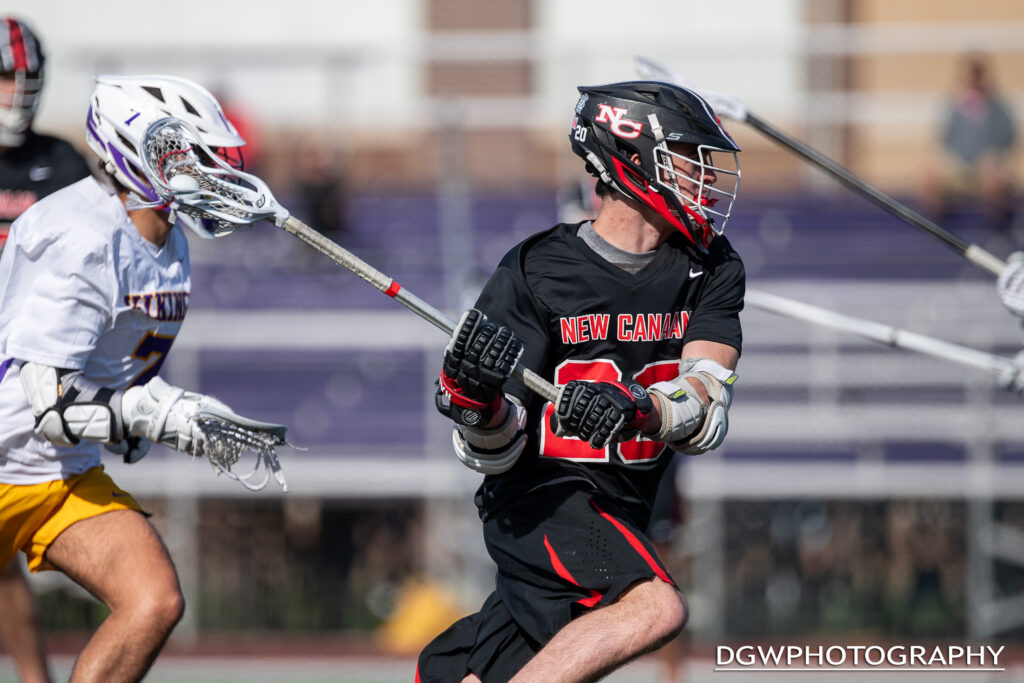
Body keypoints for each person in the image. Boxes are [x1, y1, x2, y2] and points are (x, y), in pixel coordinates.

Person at [418, 80, 745, 682]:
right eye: (687, 159)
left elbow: (707, 400)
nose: (704, 179)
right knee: (655, 606)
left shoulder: (711, 267)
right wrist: (478, 405)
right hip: (542, 498)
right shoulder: (534, 271)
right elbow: (488, 451)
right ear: (633, 159)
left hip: (626, 505)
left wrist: (639, 407)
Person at [0, 74, 266, 683]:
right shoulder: (82, 237)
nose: (208, 175)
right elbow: (52, 408)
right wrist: (158, 417)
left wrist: (143, 421)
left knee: (153, 600)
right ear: (134, 153)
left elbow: (111, 371)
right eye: (187, 158)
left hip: (53, 477)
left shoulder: (164, 236)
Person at [0, 17, 92, 683]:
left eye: (27, 77)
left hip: (25, 373)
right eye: (8, 76)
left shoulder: (61, 165)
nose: (18, 90)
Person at [921, 54, 1017, 229]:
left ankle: (996, 231)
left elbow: (1009, 137)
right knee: (928, 175)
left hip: (988, 169)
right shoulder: (954, 106)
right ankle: (937, 229)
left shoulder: (998, 106)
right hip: (958, 167)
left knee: (993, 177)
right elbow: (944, 139)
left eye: (978, 75)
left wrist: (994, 157)